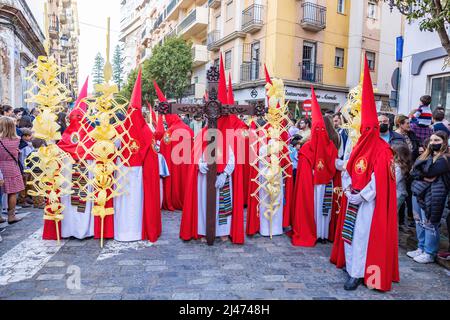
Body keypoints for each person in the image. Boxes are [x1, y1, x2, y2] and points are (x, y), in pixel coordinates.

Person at [333, 59, 399, 291]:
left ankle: (360, 273)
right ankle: (351, 267)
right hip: (353, 199)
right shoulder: (358, 146)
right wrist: (349, 189)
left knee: (363, 237)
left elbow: (379, 179)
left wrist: (363, 195)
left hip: (369, 204)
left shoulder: (383, 150)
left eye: (371, 128)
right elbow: (348, 169)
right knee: (350, 235)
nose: (367, 132)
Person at [181, 56, 246, 244]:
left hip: (222, 175)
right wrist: (200, 164)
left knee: (223, 204)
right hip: (204, 176)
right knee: (204, 203)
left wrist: (225, 173)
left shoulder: (229, 134)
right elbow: (196, 152)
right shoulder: (202, 133)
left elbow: (232, 156)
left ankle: (223, 231)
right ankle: (204, 230)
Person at [114, 70, 162, 243]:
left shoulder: (120, 129)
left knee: (126, 202)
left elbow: (112, 150)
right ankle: (133, 231)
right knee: (133, 202)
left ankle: (125, 231)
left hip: (126, 171)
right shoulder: (146, 131)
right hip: (135, 173)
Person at [291, 89, 339, 247]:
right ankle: (314, 232)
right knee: (313, 209)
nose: (319, 133)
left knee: (325, 210)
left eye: (321, 130)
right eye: (316, 130)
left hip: (325, 184)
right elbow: (304, 170)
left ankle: (323, 234)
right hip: (312, 186)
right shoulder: (306, 148)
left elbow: (334, 163)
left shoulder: (331, 146)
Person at [408, 131, 450, 264]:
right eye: (431, 140)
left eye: (437, 140)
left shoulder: (445, 158)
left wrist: (421, 172)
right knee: (419, 221)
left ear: (444, 142)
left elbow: (429, 171)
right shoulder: (427, 155)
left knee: (430, 224)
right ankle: (421, 247)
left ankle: (429, 252)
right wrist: (422, 176)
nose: (433, 143)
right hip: (419, 191)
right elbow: (413, 171)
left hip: (435, 194)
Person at [0, 116, 25, 224]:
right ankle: (11, 216)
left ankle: (0, 216)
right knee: (12, 193)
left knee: (0, 194)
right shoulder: (17, 139)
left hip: (0, 167)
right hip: (12, 167)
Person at [391, 143, 412, 232]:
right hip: (398, 193)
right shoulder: (398, 165)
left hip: (397, 194)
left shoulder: (398, 167)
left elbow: (393, 182)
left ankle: (391, 232)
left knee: (392, 215)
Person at [17, 128, 34, 208]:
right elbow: (23, 158)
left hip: (29, 167)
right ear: (24, 136)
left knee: (28, 184)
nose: (30, 137)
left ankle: (27, 197)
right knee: (23, 185)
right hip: (24, 167)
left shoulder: (28, 145)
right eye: (29, 136)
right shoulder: (23, 146)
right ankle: (21, 200)